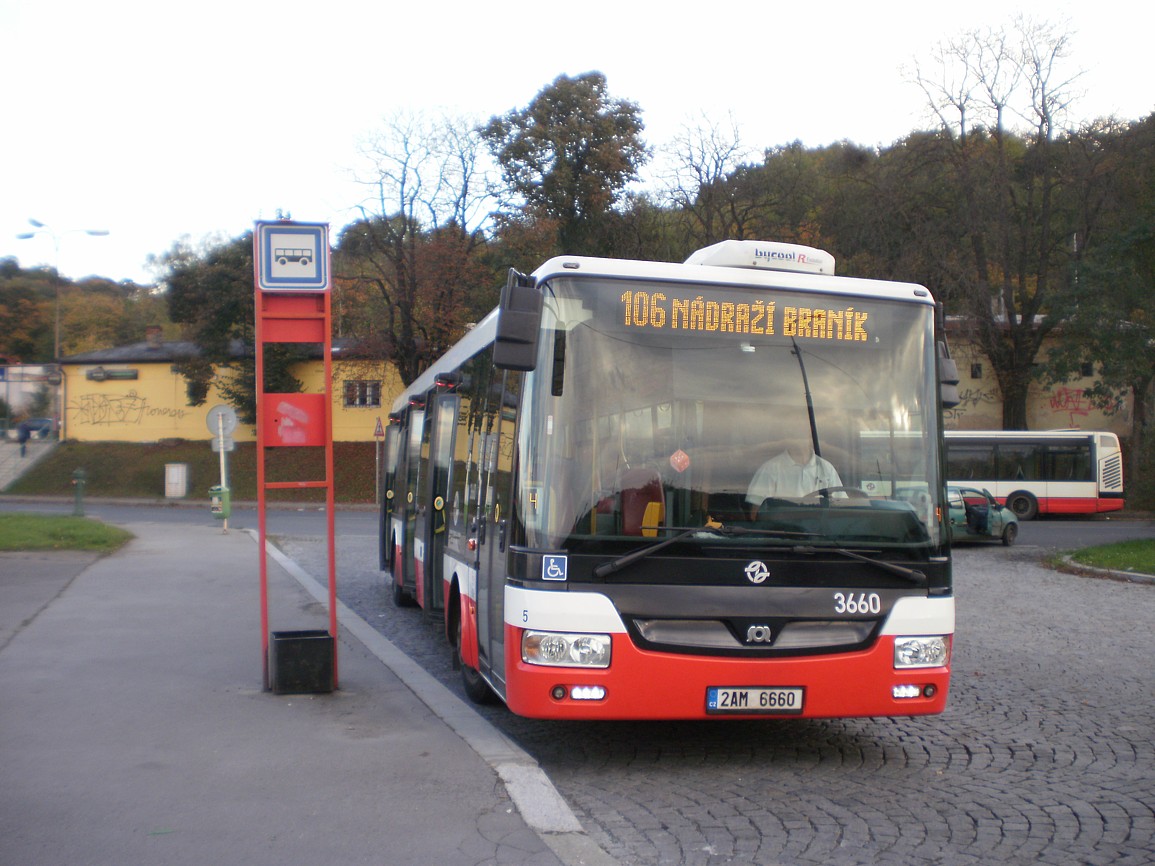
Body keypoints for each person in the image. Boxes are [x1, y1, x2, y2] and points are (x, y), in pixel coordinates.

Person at [745, 435, 843, 516]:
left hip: (822, 535)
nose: (799, 439)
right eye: (794, 434)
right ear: (786, 438)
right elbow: (754, 514)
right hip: (784, 534)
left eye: (802, 434)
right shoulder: (770, 469)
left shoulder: (827, 468)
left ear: (810, 436)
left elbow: (842, 508)